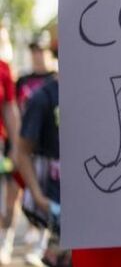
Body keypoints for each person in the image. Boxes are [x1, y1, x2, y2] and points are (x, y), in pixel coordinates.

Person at [15, 69, 66, 266]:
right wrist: (38, 197)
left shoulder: (95, 91)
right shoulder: (42, 98)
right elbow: (23, 151)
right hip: (57, 204)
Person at [0, 27, 19, 266]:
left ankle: (4, 240)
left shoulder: (4, 69)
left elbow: (10, 108)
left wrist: (17, 144)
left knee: (6, 192)